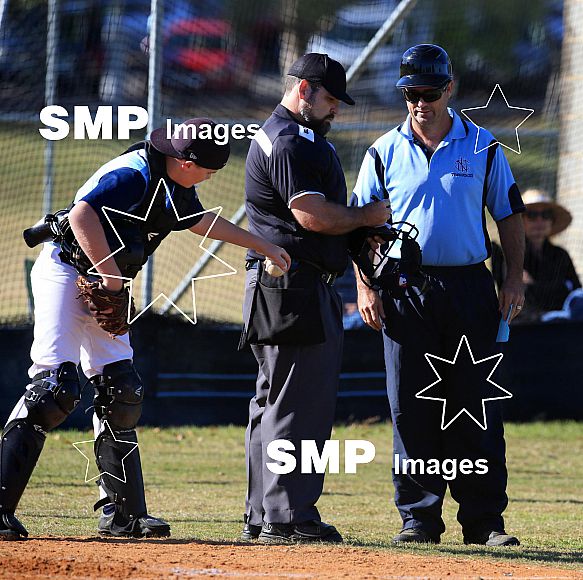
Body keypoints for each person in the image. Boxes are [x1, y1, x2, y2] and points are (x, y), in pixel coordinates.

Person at [0, 118, 290, 541]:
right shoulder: (133, 172)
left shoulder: (175, 182)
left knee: (121, 389)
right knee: (54, 389)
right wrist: (111, 277)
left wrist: (263, 245)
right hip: (66, 273)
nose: (210, 178)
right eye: (208, 171)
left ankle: (123, 515)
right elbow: (81, 214)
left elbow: (199, 221)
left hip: (106, 282)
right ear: (186, 163)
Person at [352, 45, 525, 546]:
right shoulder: (382, 151)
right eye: (411, 94)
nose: (420, 103)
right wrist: (365, 286)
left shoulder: (485, 146)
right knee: (410, 406)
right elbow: (361, 226)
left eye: (429, 93)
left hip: (470, 287)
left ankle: (484, 521)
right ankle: (419, 518)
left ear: (449, 89)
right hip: (403, 290)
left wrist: (513, 279)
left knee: (476, 405)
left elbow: (509, 214)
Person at [240, 53, 391, 544]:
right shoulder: (289, 140)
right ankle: (287, 517)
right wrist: (367, 217)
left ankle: (264, 513)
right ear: (303, 90)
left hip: (287, 286)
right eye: (330, 98)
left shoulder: (291, 136)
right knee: (298, 405)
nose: (336, 109)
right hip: (295, 289)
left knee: (274, 402)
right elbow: (312, 216)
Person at [492, 189, 580, 321]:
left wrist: (533, 285)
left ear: (551, 221)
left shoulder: (561, 255)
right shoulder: (511, 255)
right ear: (520, 220)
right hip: (526, 325)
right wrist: (561, 287)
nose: (540, 221)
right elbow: (520, 299)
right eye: (532, 215)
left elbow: (575, 293)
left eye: (546, 215)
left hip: (563, 324)